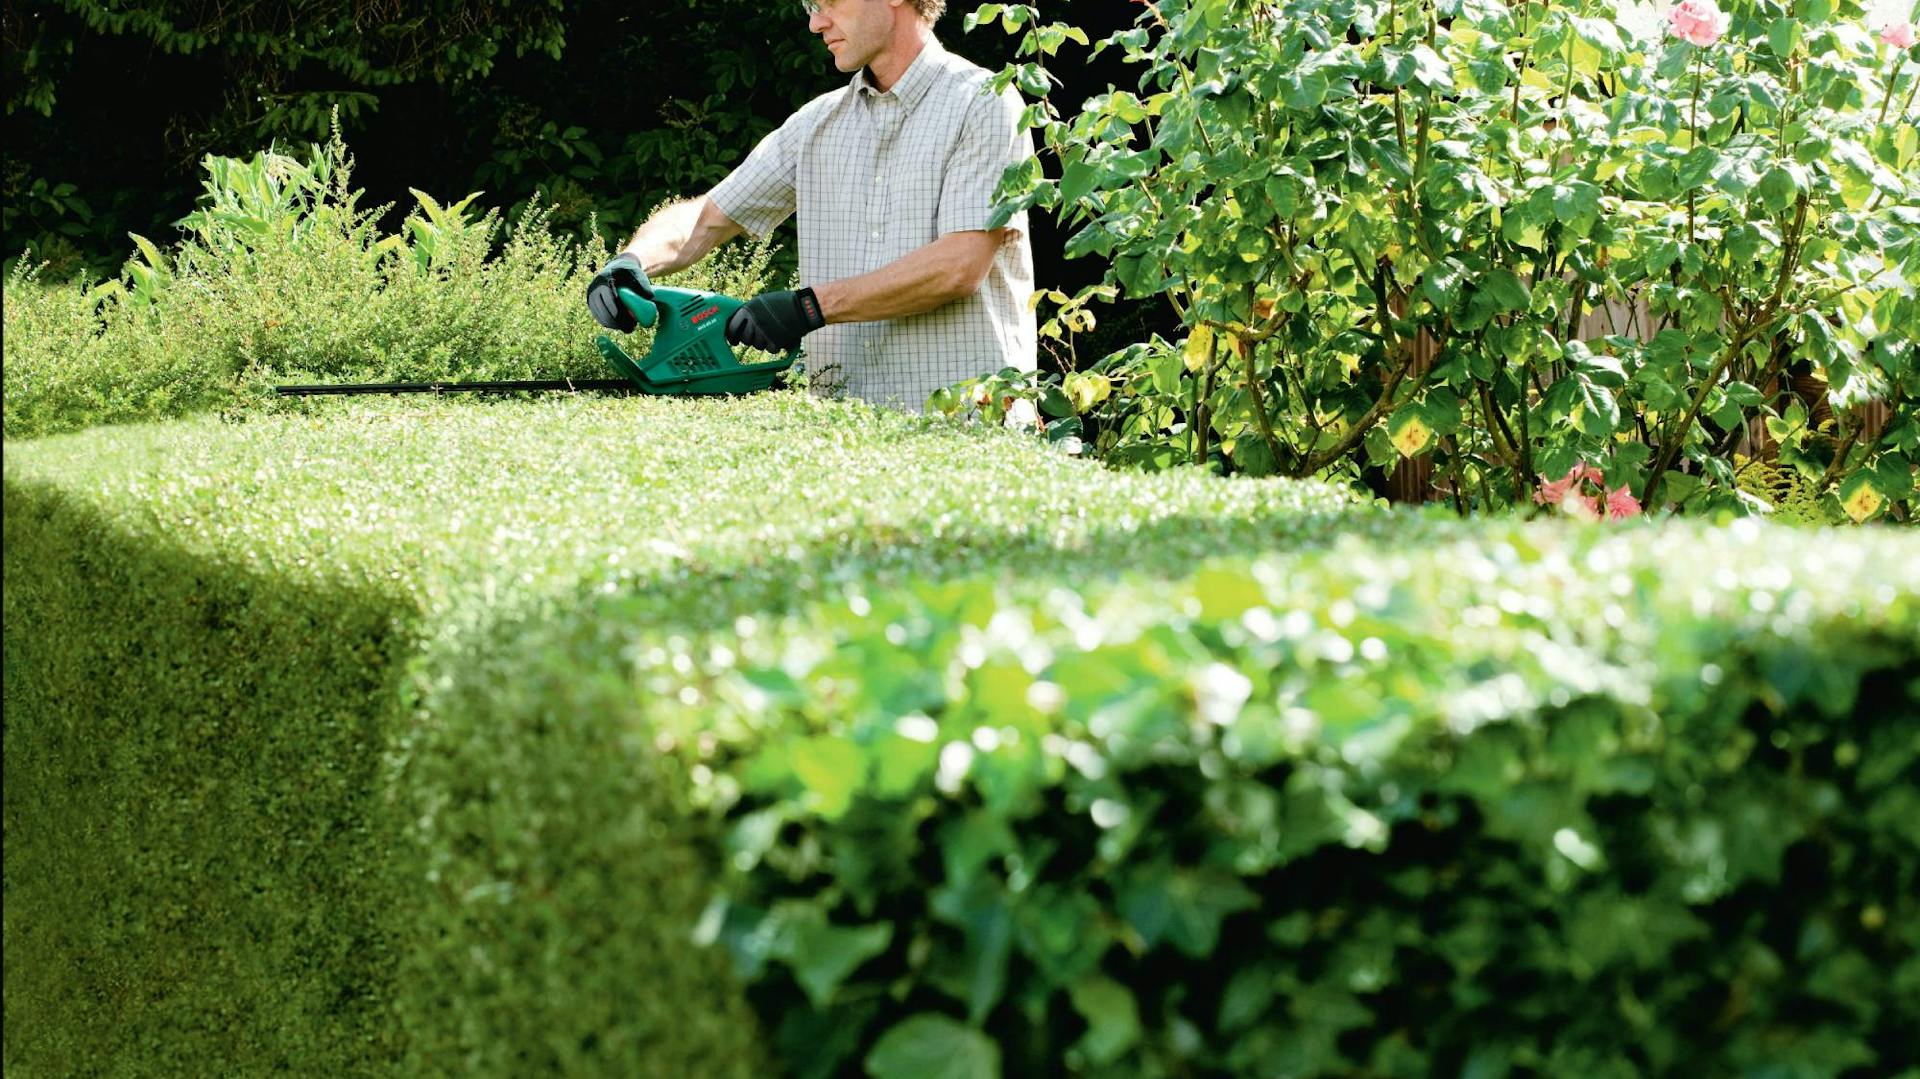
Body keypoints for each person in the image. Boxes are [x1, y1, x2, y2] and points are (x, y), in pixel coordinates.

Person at [585, 0, 1037, 412]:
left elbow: (957, 266)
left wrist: (808, 308)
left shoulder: (984, 103)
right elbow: (707, 218)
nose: (816, 22)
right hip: (844, 437)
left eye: (827, 3)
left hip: (969, 430)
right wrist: (632, 261)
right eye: (810, 5)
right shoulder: (817, 125)